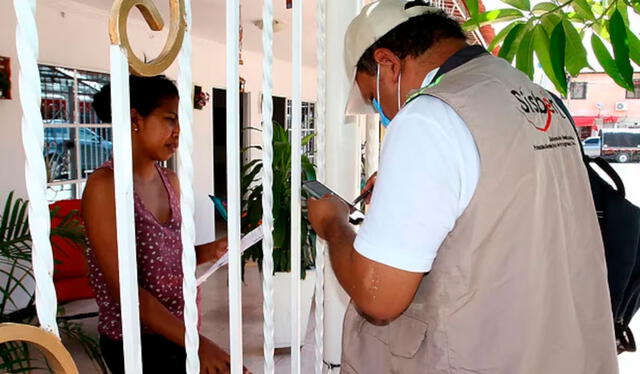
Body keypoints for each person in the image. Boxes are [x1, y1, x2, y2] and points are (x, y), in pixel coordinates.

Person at [307, 1, 618, 373]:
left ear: (388, 63)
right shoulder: (537, 98)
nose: (382, 111)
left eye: (374, 98)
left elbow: (379, 297)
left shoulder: (429, 115)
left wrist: (334, 225)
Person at [84, 75, 238, 374]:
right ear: (134, 119)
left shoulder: (170, 181)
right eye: (169, 119)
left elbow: (166, 257)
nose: (178, 132)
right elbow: (126, 291)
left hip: (179, 329)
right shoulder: (106, 187)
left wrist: (211, 251)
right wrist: (198, 344)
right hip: (136, 341)